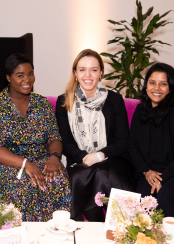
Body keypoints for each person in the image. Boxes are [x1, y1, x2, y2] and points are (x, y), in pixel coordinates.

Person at [0, 53, 71, 222]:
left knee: (57, 177)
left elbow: (54, 137)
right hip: (6, 164)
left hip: (41, 158)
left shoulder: (42, 104)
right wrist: (25, 164)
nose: (27, 80)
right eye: (20, 75)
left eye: (30, 74)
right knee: (23, 183)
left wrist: (54, 157)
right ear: (8, 77)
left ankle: (54, 231)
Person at [56, 49, 135, 221]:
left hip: (115, 159)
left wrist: (99, 156)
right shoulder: (64, 101)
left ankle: (124, 225)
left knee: (101, 172)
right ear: (75, 73)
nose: (88, 75)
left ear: (101, 73)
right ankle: (93, 228)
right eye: (82, 69)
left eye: (93, 69)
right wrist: (86, 157)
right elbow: (66, 142)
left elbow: (123, 141)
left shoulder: (114, 100)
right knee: (82, 175)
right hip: (80, 160)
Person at [129, 62, 174, 217]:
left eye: (163, 84)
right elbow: (132, 146)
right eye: (152, 83)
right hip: (146, 171)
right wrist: (147, 172)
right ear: (146, 86)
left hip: (170, 172)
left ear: (170, 88)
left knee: (164, 197)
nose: (156, 88)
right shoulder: (140, 110)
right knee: (143, 203)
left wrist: (162, 178)